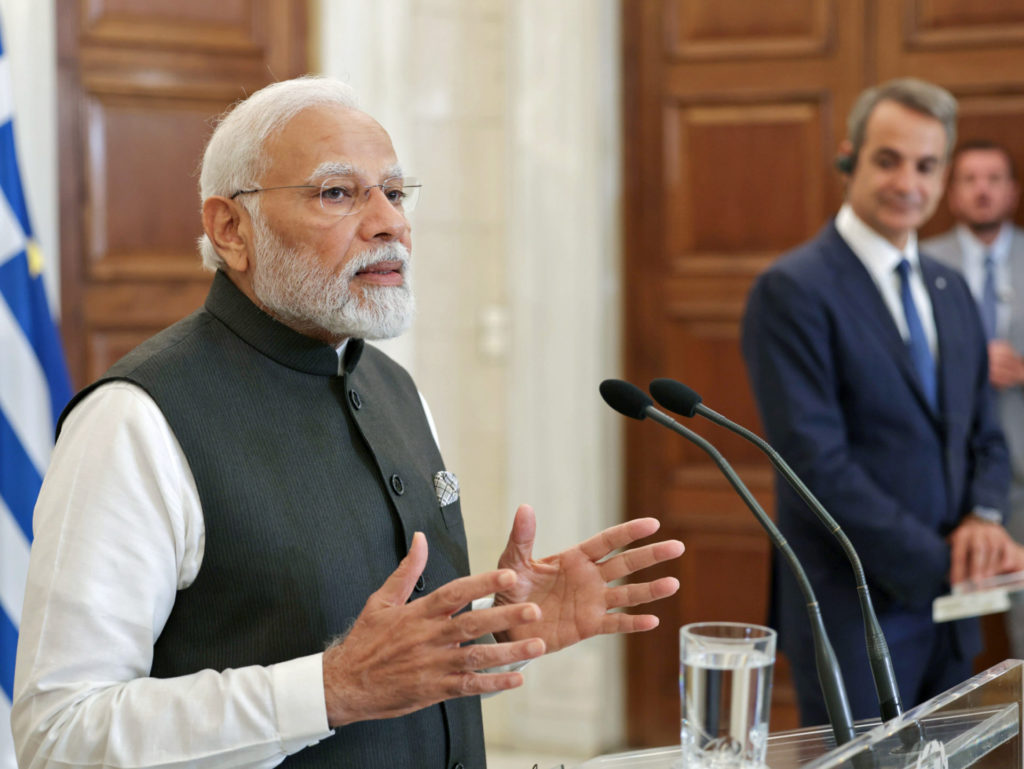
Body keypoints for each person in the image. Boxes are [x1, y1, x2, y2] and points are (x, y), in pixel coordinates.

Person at [10, 76, 685, 769]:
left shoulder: (394, 387)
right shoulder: (133, 421)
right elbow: (59, 735)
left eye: (394, 191)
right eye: (338, 193)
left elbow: (387, 666)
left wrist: (492, 628)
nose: (389, 221)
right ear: (230, 229)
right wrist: (330, 689)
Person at [740, 78, 1024, 726]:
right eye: (887, 160)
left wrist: (983, 517)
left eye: (926, 165)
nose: (907, 183)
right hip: (853, 609)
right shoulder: (792, 289)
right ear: (850, 159)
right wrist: (946, 565)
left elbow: (984, 434)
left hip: (953, 616)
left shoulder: (951, 287)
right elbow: (814, 464)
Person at [922, 140, 1024, 658]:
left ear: (1012, 190)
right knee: (942, 642)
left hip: (1023, 471)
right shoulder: (919, 263)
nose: (983, 190)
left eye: (994, 178)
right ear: (950, 191)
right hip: (948, 480)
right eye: (969, 179)